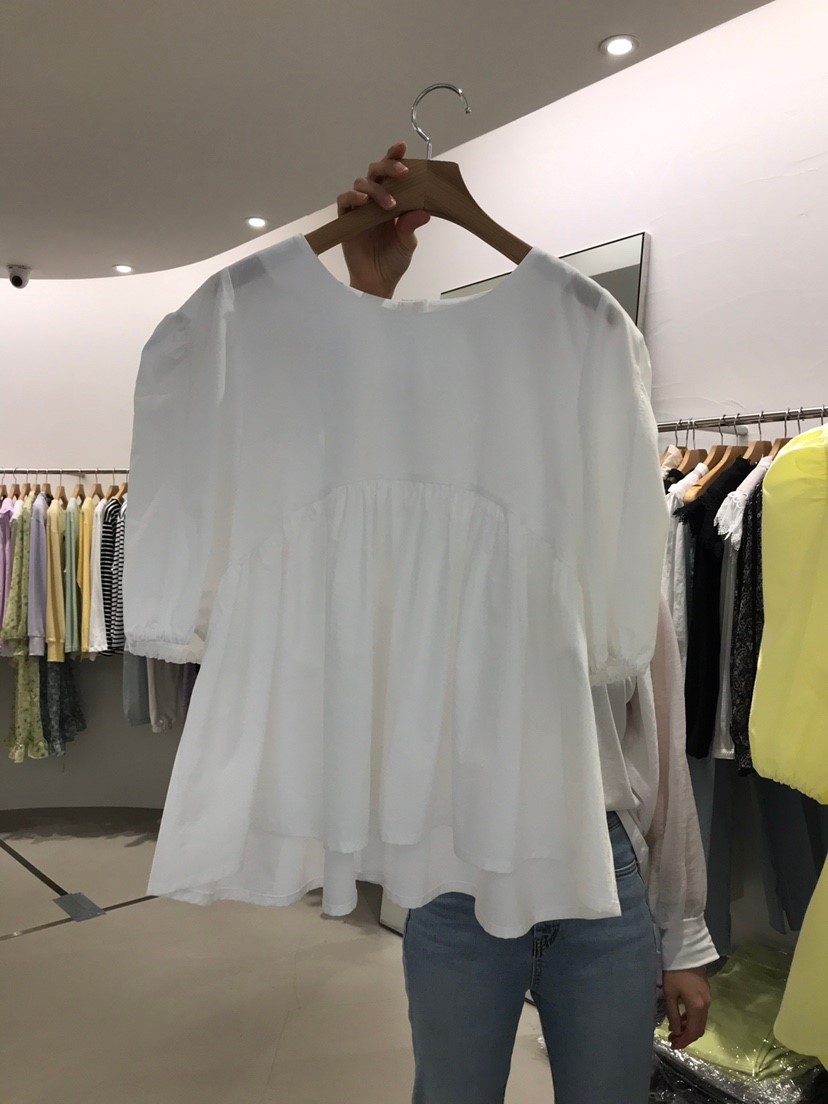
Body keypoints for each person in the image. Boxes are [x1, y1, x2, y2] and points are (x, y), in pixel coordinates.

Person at [336, 142, 714, 1104]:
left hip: (604, 881)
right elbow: (347, 475)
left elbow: (660, 743)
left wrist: (682, 935)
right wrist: (371, 297)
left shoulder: (613, 544)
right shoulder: (415, 546)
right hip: (457, 877)